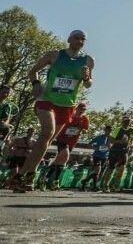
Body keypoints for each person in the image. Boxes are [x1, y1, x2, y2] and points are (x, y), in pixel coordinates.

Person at [9, 30, 94, 193]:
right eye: (76, 38)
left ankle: (26, 175)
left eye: (83, 39)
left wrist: (86, 77)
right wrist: (35, 84)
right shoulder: (54, 55)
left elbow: (89, 84)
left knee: (45, 142)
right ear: (69, 39)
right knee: (47, 132)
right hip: (46, 100)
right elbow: (32, 71)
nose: (80, 41)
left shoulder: (88, 61)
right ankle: (22, 176)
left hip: (67, 105)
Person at [49, 102, 90, 187]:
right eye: (80, 108)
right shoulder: (70, 115)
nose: (82, 111)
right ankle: (55, 181)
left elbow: (86, 129)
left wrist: (83, 130)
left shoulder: (84, 118)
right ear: (76, 108)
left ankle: (48, 177)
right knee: (65, 155)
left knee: (61, 160)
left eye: (84, 109)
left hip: (72, 142)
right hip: (62, 139)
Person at [103, 116, 133, 192]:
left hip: (124, 151)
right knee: (111, 168)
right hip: (115, 150)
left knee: (122, 168)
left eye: (129, 121)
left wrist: (131, 144)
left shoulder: (132, 130)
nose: (127, 122)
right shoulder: (118, 129)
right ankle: (105, 186)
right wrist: (119, 141)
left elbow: (132, 138)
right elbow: (111, 139)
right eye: (126, 121)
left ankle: (115, 185)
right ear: (122, 122)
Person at [82, 124, 112, 190]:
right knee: (97, 169)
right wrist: (95, 148)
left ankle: (90, 183)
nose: (108, 132)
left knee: (100, 172)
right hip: (97, 155)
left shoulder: (111, 138)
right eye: (107, 130)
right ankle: (93, 185)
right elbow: (89, 144)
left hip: (105, 157)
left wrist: (110, 149)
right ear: (105, 130)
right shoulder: (100, 137)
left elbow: (111, 147)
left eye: (109, 130)